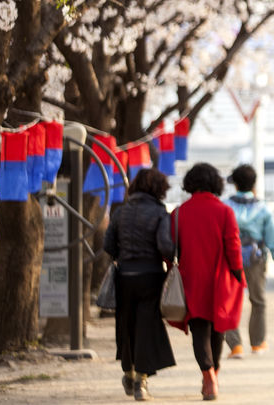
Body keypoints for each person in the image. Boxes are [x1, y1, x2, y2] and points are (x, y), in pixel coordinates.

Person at [174, 163, 244, 401]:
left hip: (190, 278)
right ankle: (214, 373)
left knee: (199, 330)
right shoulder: (225, 212)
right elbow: (233, 246)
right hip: (220, 280)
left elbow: (169, 247)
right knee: (218, 331)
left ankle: (207, 375)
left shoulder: (179, 212)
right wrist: (238, 274)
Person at [104, 168, 176, 401]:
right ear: (159, 189)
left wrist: (122, 256)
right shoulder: (159, 213)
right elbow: (166, 246)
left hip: (124, 275)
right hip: (151, 276)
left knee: (126, 324)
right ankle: (141, 382)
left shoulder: (120, 212)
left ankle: (128, 371)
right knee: (146, 326)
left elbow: (108, 245)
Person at [223, 164, 274, 358]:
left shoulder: (225, 205)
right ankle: (257, 343)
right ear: (254, 184)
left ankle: (235, 345)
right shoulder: (263, 209)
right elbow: (273, 238)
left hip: (229, 258)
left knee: (228, 301)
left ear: (235, 185)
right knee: (258, 300)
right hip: (255, 258)